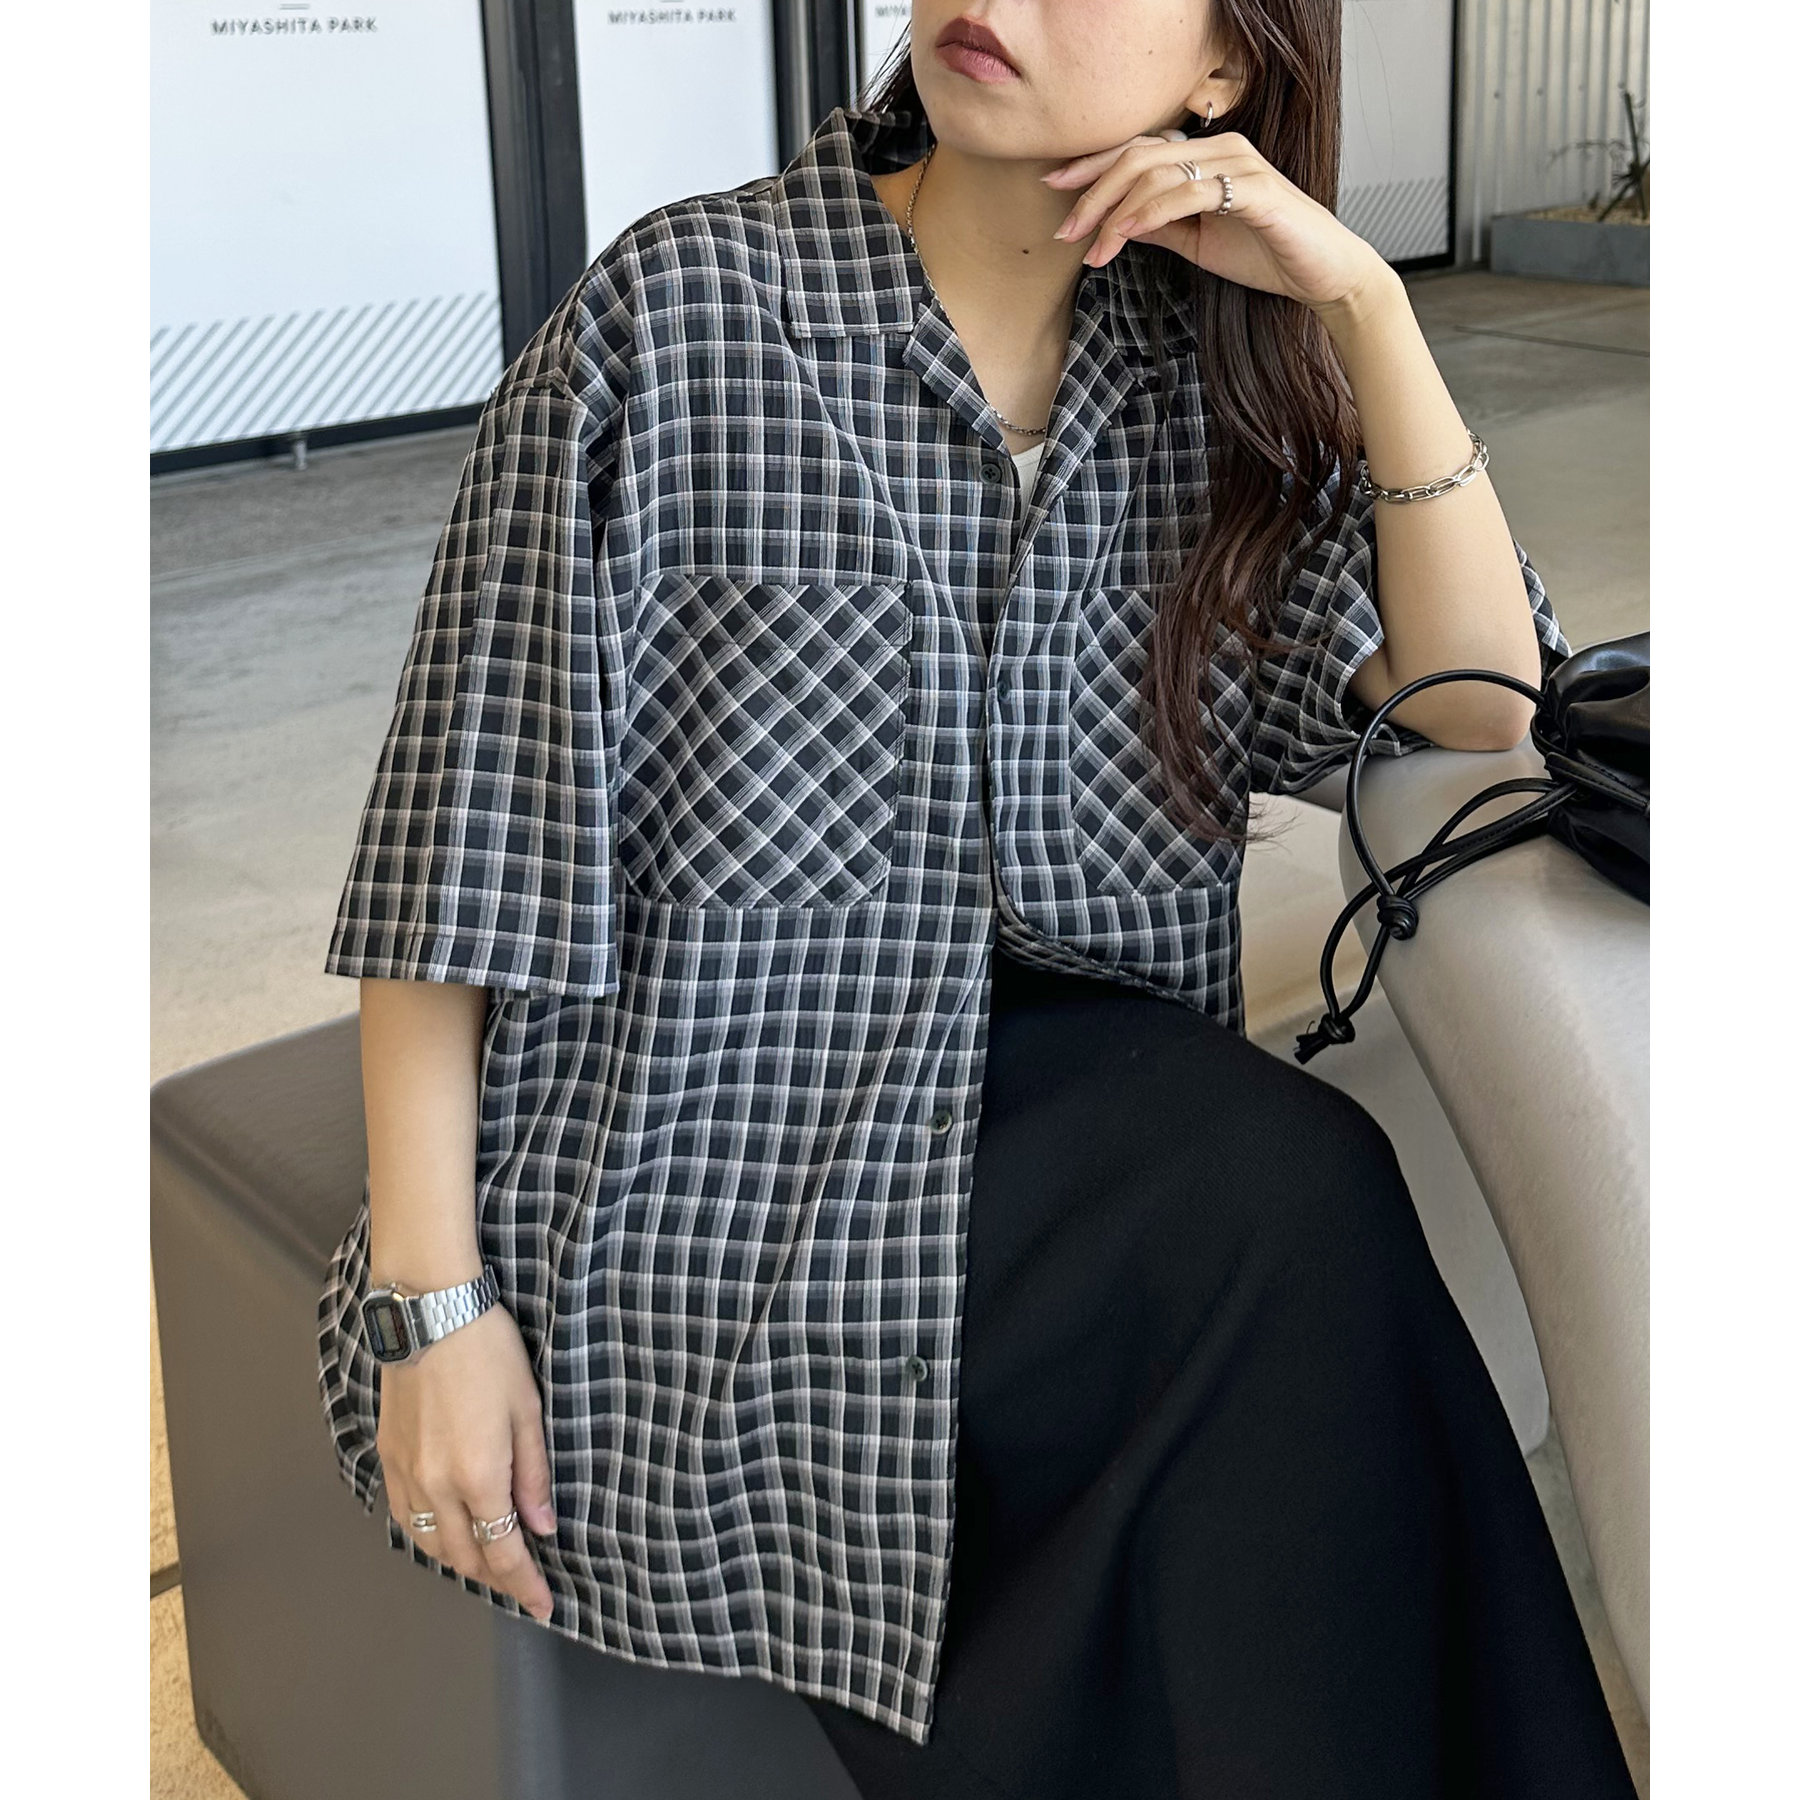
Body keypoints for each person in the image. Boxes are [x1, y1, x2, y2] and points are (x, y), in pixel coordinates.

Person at [316, 3, 1640, 1794]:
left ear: (1225, 72)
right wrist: (430, 1308)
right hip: (701, 1145)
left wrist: (1366, 311)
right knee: (1273, 1248)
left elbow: (1480, 711)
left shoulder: (1198, 382)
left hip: (1063, 1112)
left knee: (1282, 1245)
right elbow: (456, 844)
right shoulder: (680, 314)